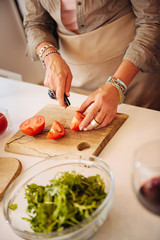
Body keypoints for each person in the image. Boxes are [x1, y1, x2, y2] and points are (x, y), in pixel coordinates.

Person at [24, 0, 160, 131]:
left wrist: (117, 85)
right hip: (76, 80)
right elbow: (35, 23)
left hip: (134, 76)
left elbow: (152, 22)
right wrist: (49, 55)